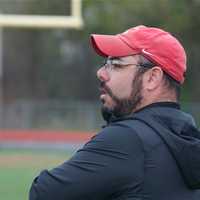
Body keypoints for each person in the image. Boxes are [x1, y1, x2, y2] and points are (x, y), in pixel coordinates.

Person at [29, 25, 200, 200]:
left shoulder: (127, 139)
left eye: (116, 65)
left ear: (152, 78)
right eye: (105, 64)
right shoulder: (186, 137)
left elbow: (42, 193)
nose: (100, 73)